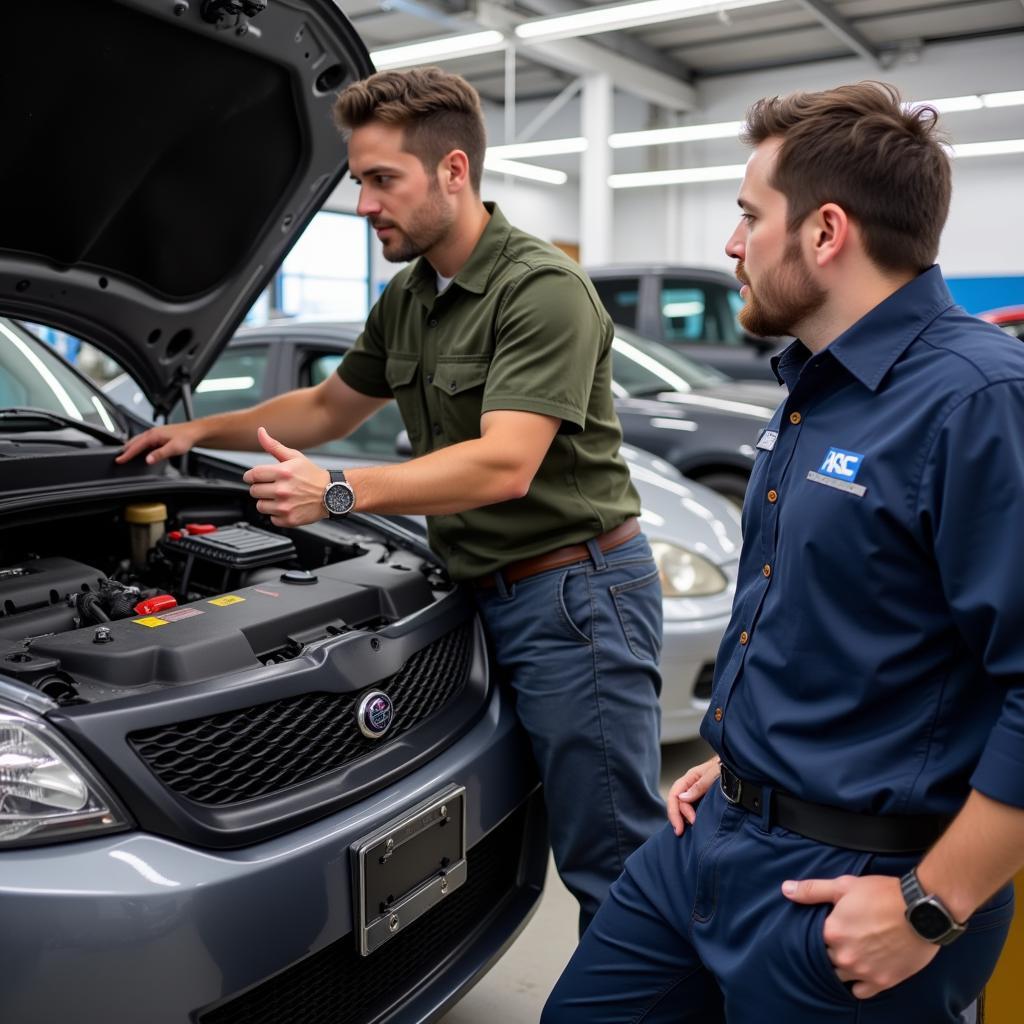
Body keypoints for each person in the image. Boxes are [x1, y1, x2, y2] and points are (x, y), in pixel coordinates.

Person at [115, 66, 665, 934]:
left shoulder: (541, 291)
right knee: (512, 818)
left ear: (453, 171)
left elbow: (504, 466)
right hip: (480, 591)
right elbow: (331, 407)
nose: (365, 205)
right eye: (359, 181)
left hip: (575, 599)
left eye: (382, 180)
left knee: (610, 853)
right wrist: (197, 434)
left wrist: (336, 489)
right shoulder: (410, 296)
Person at [542, 81, 1024, 1023]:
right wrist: (745, 754)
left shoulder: (979, 401)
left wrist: (930, 906)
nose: (731, 245)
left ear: (826, 232)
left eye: (748, 216)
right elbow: (821, 611)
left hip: (858, 884)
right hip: (710, 833)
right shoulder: (815, 384)